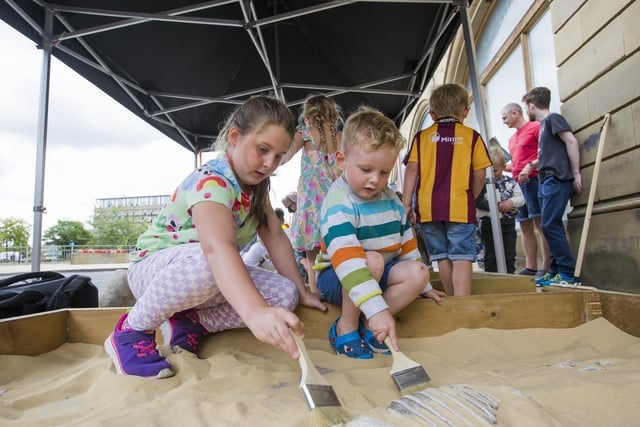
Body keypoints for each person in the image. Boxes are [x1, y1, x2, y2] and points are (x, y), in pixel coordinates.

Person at [104, 96, 327, 379]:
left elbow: (274, 236)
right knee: (210, 263)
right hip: (156, 272)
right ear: (235, 137)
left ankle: (192, 322)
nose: (270, 163)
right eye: (262, 150)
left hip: (205, 274)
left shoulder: (254, 186)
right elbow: (217, 249)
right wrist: (255, 312)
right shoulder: (213, 181)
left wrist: (302, 290)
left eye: (279, 156)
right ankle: (131, 330)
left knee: (285, 294)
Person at [316, 107, 445, 359]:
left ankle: (367, 326)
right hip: (338, 276)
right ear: (342, 160)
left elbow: (407, 246)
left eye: (384, 172)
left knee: (418, 272)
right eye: (366, 169)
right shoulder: (338, 203)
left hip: (378, 272)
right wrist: (376, 309)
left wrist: (424, 286)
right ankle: (346, 326)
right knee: (371, 261)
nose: (375, 180)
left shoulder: (391, 200)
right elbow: (348, 261)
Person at [403, 83, 492, 296]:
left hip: (428, 208)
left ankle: (452, 299)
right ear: (465, 112)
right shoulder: (472, 136)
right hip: (460, 205)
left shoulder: (421, 137)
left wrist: (406, 204)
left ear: (432, 115)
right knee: (462, 256)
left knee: (441, 256)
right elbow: (480, 174)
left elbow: (412, 168)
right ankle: (462, 303)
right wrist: (472, 196)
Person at [521, 87, 583, 286]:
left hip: (556, 179)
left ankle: (567, 274)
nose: (527, 111)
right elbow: (550, 153)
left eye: (526, 107)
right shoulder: (545, 126)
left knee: (549, 225)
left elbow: (571, 141)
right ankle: (556, 271)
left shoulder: (551, 119)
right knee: (547, 226)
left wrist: (575, 173)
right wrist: (532, 164)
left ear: (531, 105)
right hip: (546, 180)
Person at [284, 94, 343, 294]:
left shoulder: (305, 133)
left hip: (311, 203)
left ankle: (317, 294)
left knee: (312, 258)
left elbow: (285, 154)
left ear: (309, 116)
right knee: (337, 251)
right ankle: (337, 290)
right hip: (336, 203)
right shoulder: (340, 137)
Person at [501, 103, 550, 277]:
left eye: (505, 118)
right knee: (524, 225)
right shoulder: (511, 139)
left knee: (539, 222)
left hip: (533, 180)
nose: (504, 122)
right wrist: (503, 166)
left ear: (515, 113)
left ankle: (546, 265)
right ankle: (531, 266)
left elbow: (545, 151)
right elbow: (516, 162)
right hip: (517, 184)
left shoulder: (535, 127)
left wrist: (529, 167)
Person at [476, 147, 524, 274]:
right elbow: (478, 201)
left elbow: (520, 198)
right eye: (488, 170)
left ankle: (509, 278)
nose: (491, 174)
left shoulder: (510, 182)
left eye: (495, 170)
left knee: (509, 254)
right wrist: (495, 206)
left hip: (508, 223)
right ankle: (492, 278)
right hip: (488, 223)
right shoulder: (481, 184)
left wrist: (510, 202)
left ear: (503, 167)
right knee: (491, 255)